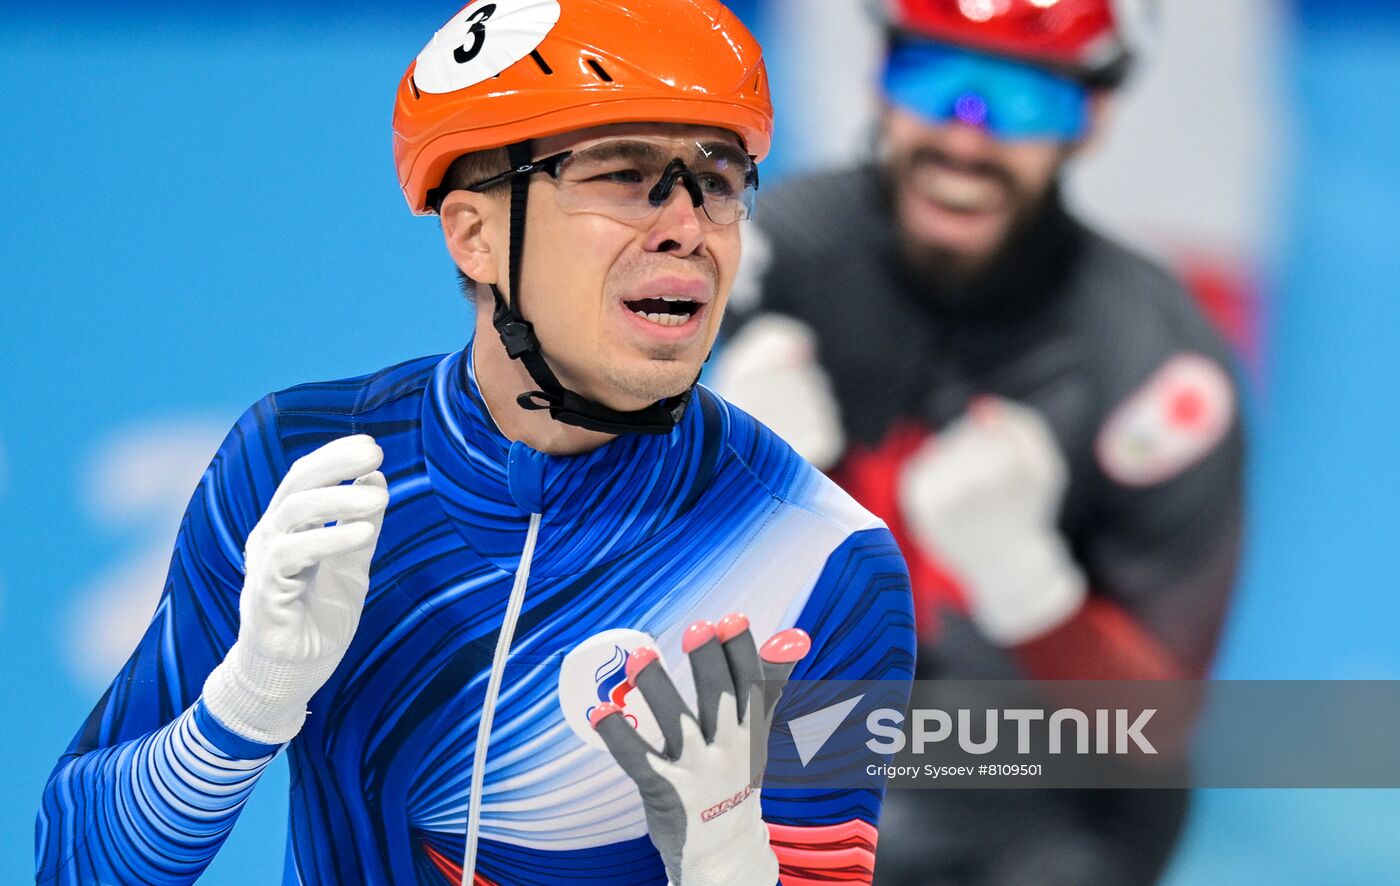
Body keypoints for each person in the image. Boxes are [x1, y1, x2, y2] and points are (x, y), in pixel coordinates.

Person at [35, 2, 915, 884]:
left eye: (717, 179)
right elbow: (77, 868)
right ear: (475, 234)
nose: (687, 224)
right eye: (622, 173)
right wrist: (244, 706)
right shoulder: (299, 463)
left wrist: (726, 863)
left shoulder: (822, 562)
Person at [712, 1, 1243, 883]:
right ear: (877, 81)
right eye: (932, 77)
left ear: (1095, 117)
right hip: (786, 775)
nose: (965, 137)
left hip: (1039, 819)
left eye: (1025, 99)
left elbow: (1156, 728)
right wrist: (707, 472)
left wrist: (1030, 588)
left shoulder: (1157, 364)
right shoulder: (756, 256)